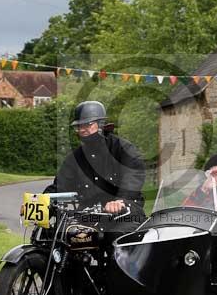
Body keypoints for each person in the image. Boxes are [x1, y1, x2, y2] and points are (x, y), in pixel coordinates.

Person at [44, 100, 146, 240]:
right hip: (90, 215)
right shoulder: (75, 158)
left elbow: (133, 176)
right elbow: (59, 186)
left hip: (125, 214)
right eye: (79, 126)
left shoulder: (123, 149)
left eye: (87, 125)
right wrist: (39, 203)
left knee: (116, 239)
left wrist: (120, 200)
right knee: (58, 235)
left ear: (101, 125)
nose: (82, 130)